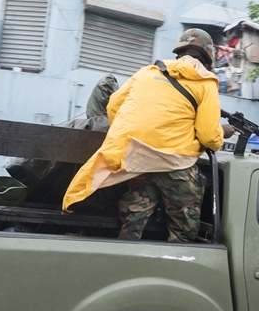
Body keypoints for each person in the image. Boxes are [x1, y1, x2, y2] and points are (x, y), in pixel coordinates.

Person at [63, 28, 235, 242]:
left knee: (134, 215)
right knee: (184, 224)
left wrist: (138, 131)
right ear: (208, 58)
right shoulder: (205, 82)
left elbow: (114, 105)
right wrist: (223, 132)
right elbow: (209, 136)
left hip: (138, 158)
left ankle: (126, 247)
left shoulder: (147, 72)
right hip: (176, 164)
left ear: (178, 52)